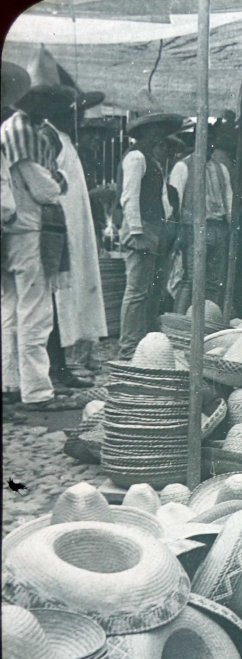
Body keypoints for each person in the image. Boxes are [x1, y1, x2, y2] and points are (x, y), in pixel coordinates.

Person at [1, 71, 70, 409]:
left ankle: (11, 383)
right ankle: (38, 392)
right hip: (28, 229)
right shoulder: (23, 135)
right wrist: (60, 178)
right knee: (35, 313)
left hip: (12, 230)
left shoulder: (11, 131)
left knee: (11, 310)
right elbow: (47, 190)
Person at [41, 89, 108, 385]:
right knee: (54, 301)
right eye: (75, 113)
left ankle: (60, 366)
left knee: (67, 298)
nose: (79, 119)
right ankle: (53, 369)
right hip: (57, 231)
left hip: (75, 229)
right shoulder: (48, 137)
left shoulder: (64, 139)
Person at [116, 112, 184, 361]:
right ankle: (128, 347)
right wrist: (136, 231)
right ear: (143, 134)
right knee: (136, 291)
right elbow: (129, 196)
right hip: (142, 228)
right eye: (153, 131)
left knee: (149, 290)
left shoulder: (151, 161)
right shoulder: (136, 157)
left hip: (155, 228)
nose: (158, 136)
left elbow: (164, 200)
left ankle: (143, 342)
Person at [169, 126, 233, 313]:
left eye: (213, 141)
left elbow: (228, 199)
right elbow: (175, 202)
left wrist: (229, 228)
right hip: (194, 229)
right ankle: (180, 322)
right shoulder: (183, 167)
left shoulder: (221, 169)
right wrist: (178, 232)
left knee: (214, 281)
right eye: (207, 139)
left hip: (219, 228)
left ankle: (209, 321)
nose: (211, 145)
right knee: (190, 279)